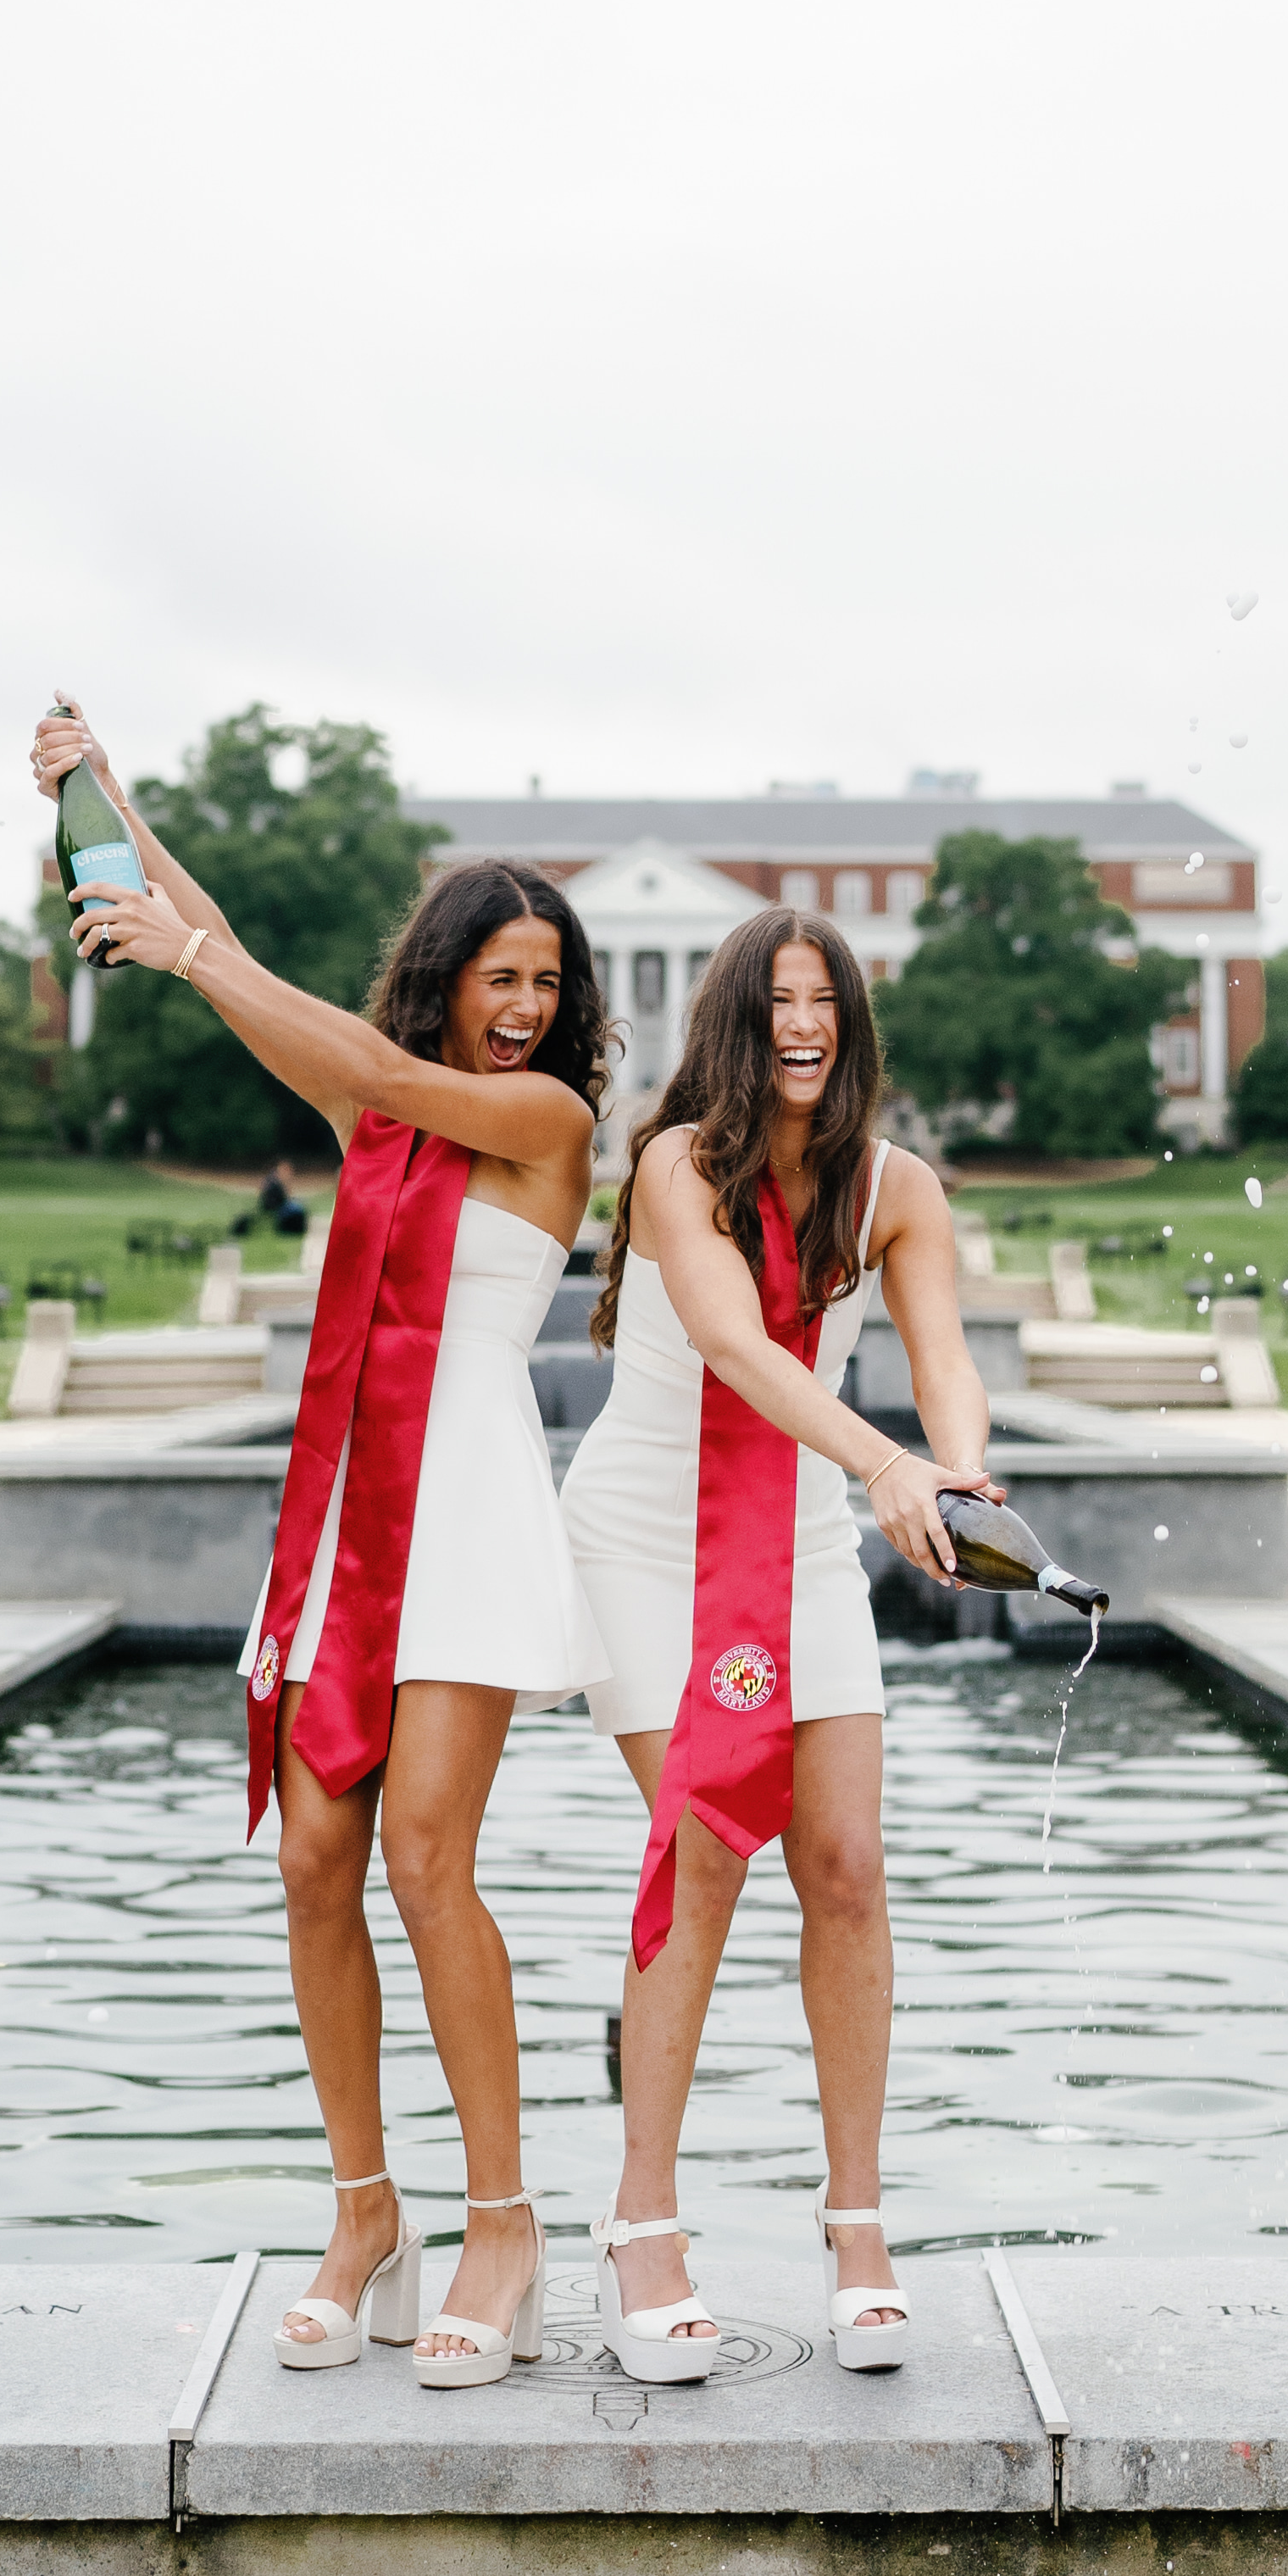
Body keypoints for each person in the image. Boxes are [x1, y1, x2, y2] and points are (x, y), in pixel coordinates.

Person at [35, 701, 604, 2390]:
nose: (524, 1009)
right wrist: (105, 799)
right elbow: (260, 975)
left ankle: (502, 2224)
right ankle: (367, 2214)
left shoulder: (545, 1126)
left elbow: (340, 1053)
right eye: (497, 978)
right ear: (442, 977)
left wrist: (181, 957)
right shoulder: (382, 1123)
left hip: (470, 1519)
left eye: (545, 984)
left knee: (428, 1858)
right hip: (346, 1512)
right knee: (309, 1864)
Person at [561, 911, 992, 2384]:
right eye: (777, 1001)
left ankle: (858, 2221)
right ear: (734, 1023)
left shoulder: (896, 1189)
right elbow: (743, 1350)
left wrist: (963, 1473)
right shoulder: (676, 1164)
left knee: (849, 1869)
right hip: (646, 1540)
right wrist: (888, 1470)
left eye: (827, 1001)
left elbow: (942, 1362)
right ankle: (642, 2223)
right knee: (702, 1847)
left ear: (851, 1024)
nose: (803, 1023)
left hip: (798, 1545)